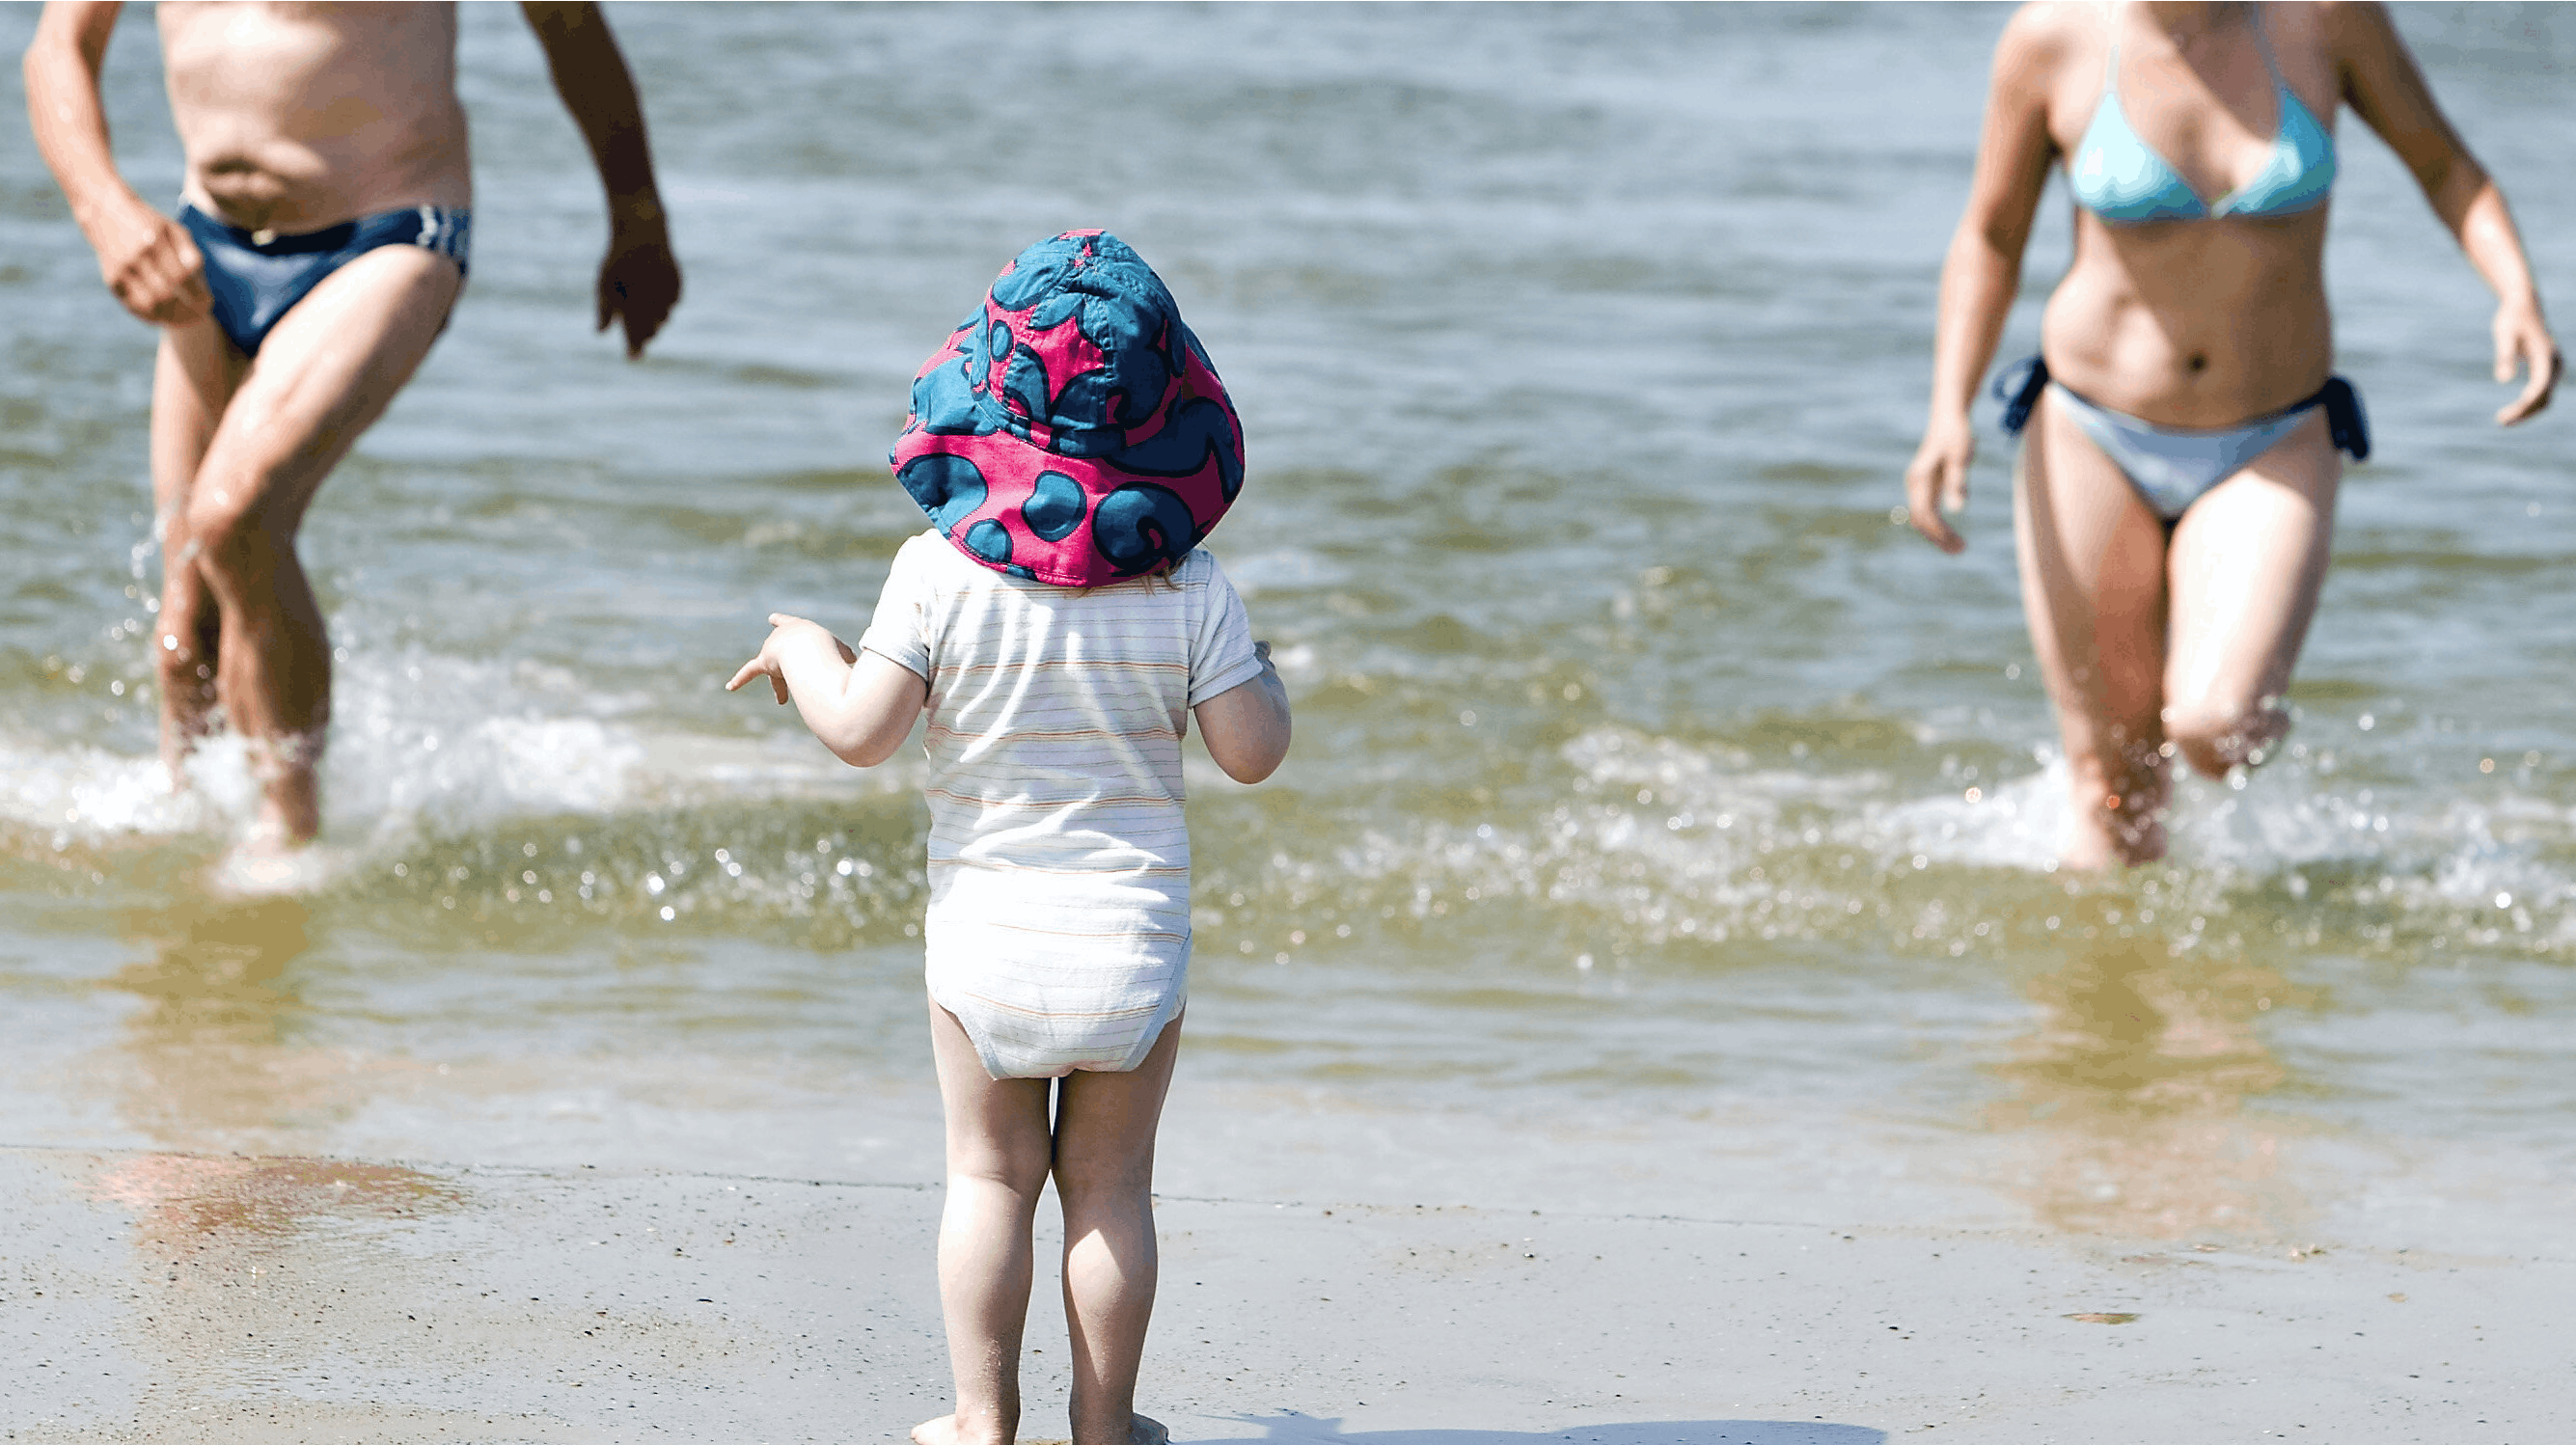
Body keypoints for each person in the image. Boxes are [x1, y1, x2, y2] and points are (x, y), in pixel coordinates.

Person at [726, 231, 1292, 1445]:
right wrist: (1266, 675)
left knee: (989, 1183)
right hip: (1131, 948)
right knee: (1112, 1192)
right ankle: (1107, 1424)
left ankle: (983, 1420)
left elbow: (866, 732)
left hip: (985, 944)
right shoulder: (1190, 587)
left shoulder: (935, 573)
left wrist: (800, 646)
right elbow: (1251, 750)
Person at [1903, 0, 2559, 868]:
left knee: (2216, 726)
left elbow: (2445, 167)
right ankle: (2113, 996)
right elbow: (1991, 234)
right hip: (2090, 432)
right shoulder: (2053, 35)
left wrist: (2515, 293)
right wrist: (1947, 410)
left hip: (2274, 435)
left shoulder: (2326, 21)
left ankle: (2247, 729)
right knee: (2113, 787)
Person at [23, 2, 681, 851]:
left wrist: (637, 217)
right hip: (207, 239)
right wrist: (105, 210)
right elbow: (58, 46)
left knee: (236, 518)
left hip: (390, 232)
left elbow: (566, 25)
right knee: (186, 629)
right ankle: (189, 853)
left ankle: (288, 841)